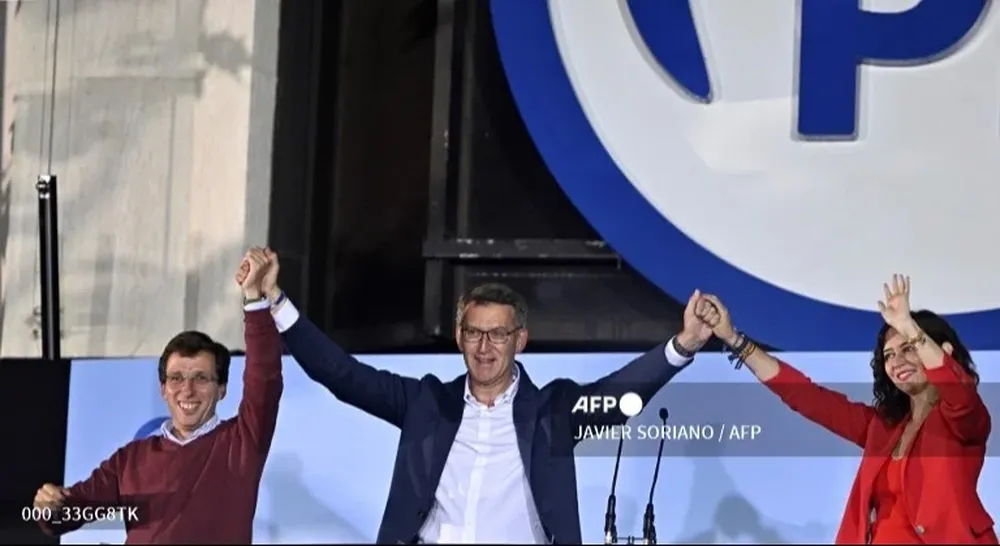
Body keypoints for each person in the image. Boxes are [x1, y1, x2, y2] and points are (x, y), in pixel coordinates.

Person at [256, 248, 713, 544]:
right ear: (459, 337)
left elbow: (618, 399)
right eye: (474, 332)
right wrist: (275, 299)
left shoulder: (551, 412)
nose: (484, 346)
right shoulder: (425, 403)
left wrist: (684, 345)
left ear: (521, 340)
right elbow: (342, 374)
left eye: (498, 334)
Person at [693, 274, 996, 544]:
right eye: (889, 355)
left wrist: (907, 325)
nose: (897, 361)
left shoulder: (965, 418)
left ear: (944, 351)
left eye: (909, 348)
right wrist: (733, 338)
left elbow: (958, 391)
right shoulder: (883, 426)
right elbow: (808, 397)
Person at [32, 248, 284, 543]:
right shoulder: (131, 460)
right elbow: (69, 513)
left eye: (201, 378)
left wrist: (254, 298)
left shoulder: (241, 443)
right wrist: (48, 508)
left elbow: (264, 378)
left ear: (222, 389)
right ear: (163, 389)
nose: (187, 390)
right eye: (176, 378)